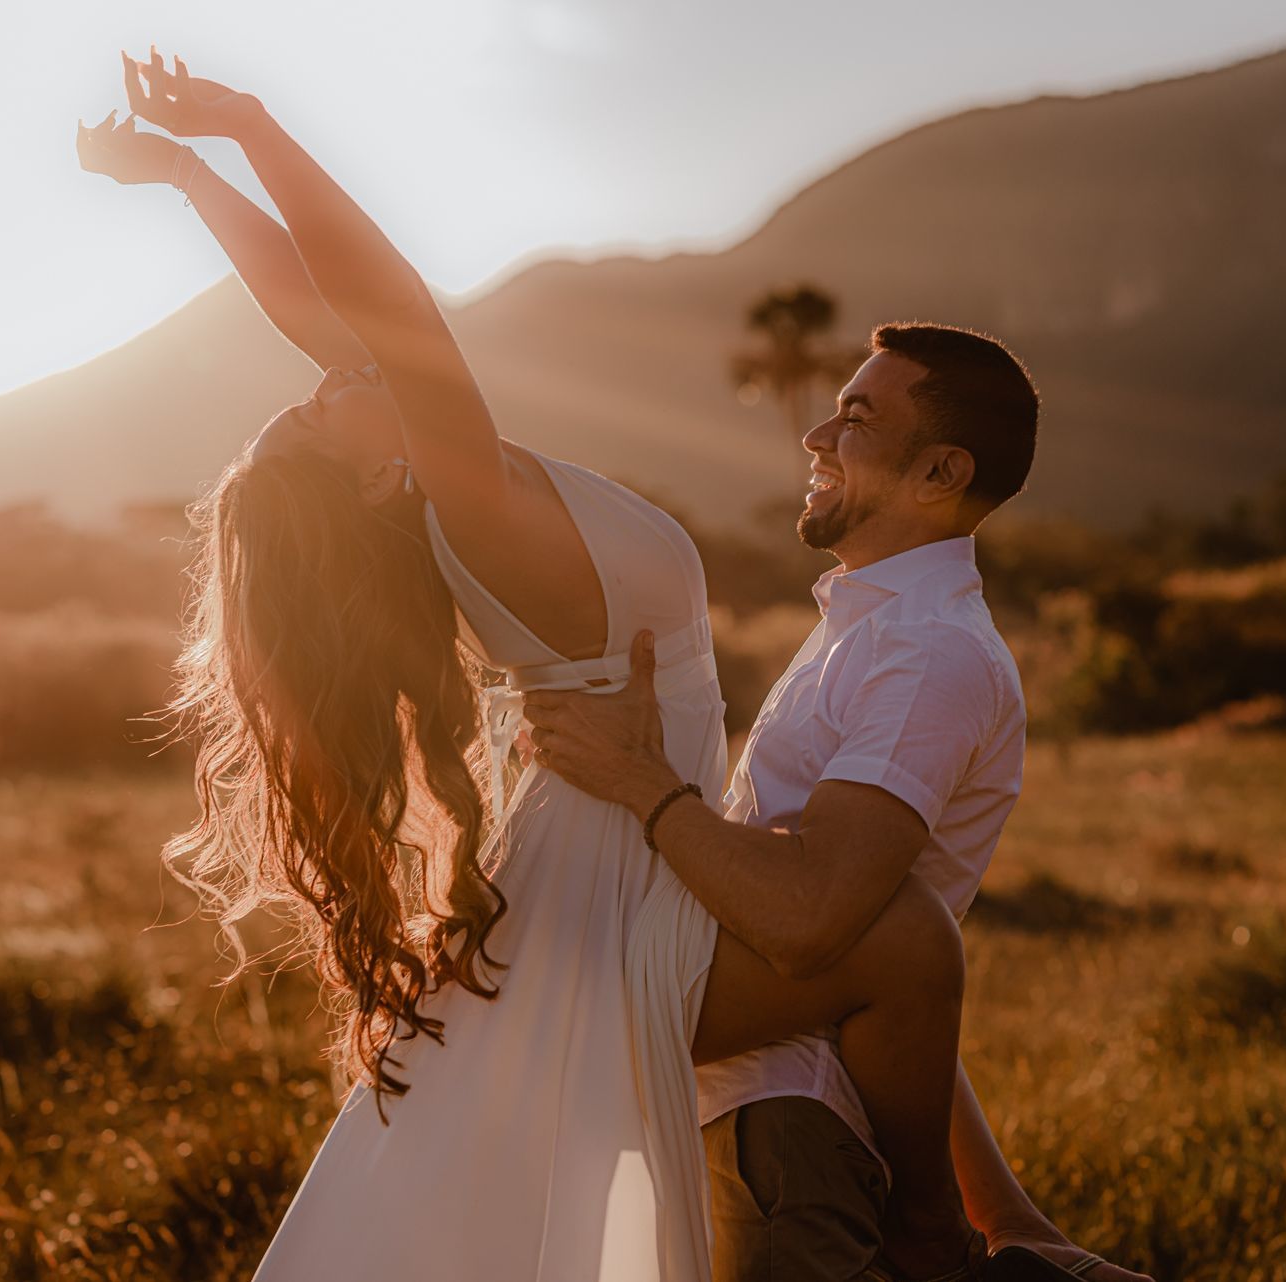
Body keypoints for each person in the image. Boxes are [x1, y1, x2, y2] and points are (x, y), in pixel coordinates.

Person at [79, 50, 1090, 1281]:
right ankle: (947, 1236)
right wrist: (248, 125)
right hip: (617, 887)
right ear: (373, 476)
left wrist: (192, 174)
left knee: (901, 944)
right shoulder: (477, 506)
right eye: (317, 409)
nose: (332, 375)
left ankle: (974, 1229)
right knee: (908, 942)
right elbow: (383, 305)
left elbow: (322, 312)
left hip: (625, 872)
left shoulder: (479, 499)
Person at [526, 327, 1152, 1282]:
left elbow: (816, 921)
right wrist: (1003, 1214)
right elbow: (890, 962)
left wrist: (642, 782)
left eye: (857, 417)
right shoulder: (870, 628)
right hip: (756, 1126)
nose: (818, 435)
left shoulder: (925, 654)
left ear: (940, 471)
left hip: (792, 1143)